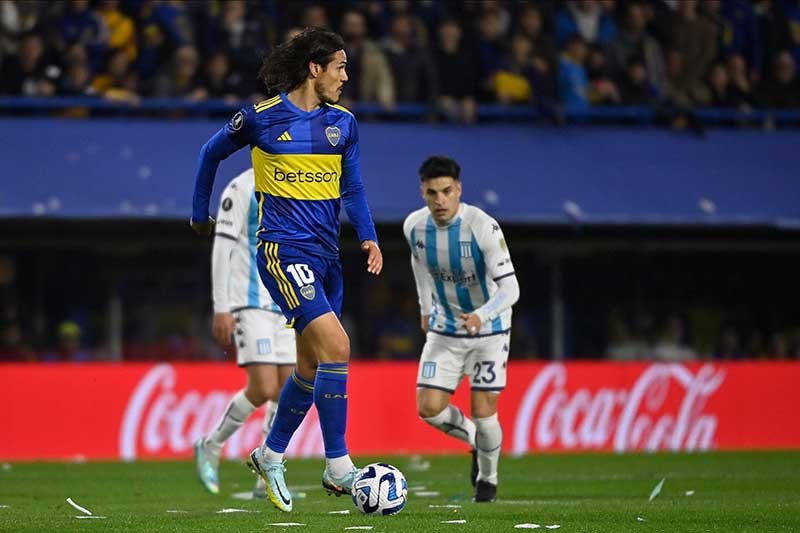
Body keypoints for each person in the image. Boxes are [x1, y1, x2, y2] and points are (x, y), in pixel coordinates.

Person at [190, 28, 382, 513]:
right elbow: (210, 153)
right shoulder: (261, 118)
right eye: (340, 67)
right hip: (283, 252)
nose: (346, 76)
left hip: (327, 257)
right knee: (338, 346)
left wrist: (369, 235)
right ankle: (338, 464)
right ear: (314, 69)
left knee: (310, 366)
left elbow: (354, 189)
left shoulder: (344, 124)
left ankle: (270, 454)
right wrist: (199, 212)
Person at [403, 156, 519, 503]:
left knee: (484, 412)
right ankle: (474, 441)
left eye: (446, 191)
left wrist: (482, 314)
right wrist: (425, 309)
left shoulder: (482, 226)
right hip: (446, 329)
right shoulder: (414, 226)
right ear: (422, 192)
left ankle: (488, 480)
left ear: (459, 190)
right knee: (429, 408)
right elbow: (420, 266)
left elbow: (511, 288)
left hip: (490, 330)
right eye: (432, 193)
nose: (440, 200)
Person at [193, 169, 297, 498]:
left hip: (287, 302)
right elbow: (222, 249)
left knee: (288, 391)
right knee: (263, 387)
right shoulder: (241, 188)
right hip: (250, 302)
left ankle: (266, 473)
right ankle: (211, 444)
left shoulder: (296, 182)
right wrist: (221, 306)